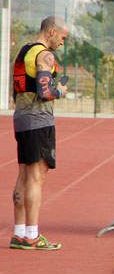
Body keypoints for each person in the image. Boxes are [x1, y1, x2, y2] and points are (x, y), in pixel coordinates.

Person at [10, 16, 69, 250]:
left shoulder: (24, 51)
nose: (63, 43)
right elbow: (45, 92)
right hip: (39, 120)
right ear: (51, 31)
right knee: (36, 177)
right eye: (63, 37)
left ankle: (19, 232)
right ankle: (32, 235)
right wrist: (61, 90)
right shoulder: (45, 55)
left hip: (22, 118)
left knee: (24, 175)